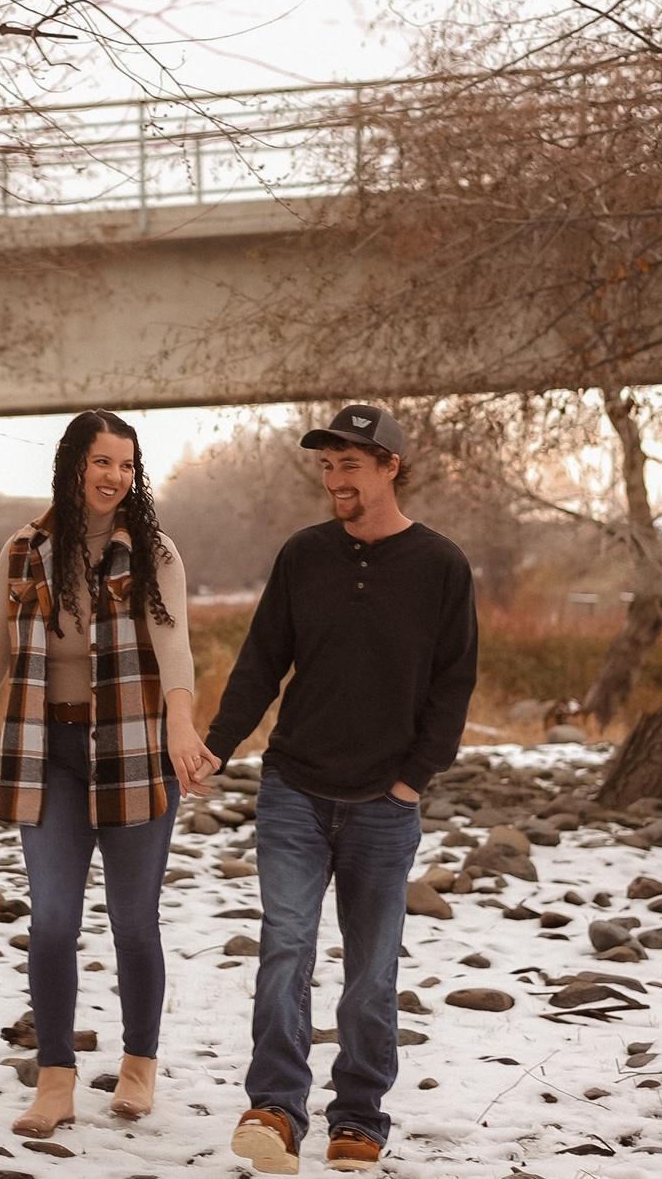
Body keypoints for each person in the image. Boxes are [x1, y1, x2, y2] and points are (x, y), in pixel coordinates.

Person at [0, 409, 219, 1139]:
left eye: (127, 464)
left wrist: (182, 723)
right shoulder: (24, 550)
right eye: (103, 462)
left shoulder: (154, 553)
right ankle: (55, 1080)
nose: (115, 476)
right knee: (53, 921)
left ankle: (139, 1064)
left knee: (133, 922)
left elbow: (173, 645)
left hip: (133, 753)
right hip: (48, 755)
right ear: (74, 465)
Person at [205, 404, 477, 1175]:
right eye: (326, 467)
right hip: (293, 786)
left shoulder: (441, 565)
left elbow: (454, 682)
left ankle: (358, 1115)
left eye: (350, 465)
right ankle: (275, 1108)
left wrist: (412, 779)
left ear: (392, 467)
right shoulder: (304, 555)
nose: (335, 481)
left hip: (384, 804)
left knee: (371, 971)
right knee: (286, 948)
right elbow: (263, 660)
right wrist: (218, 745)